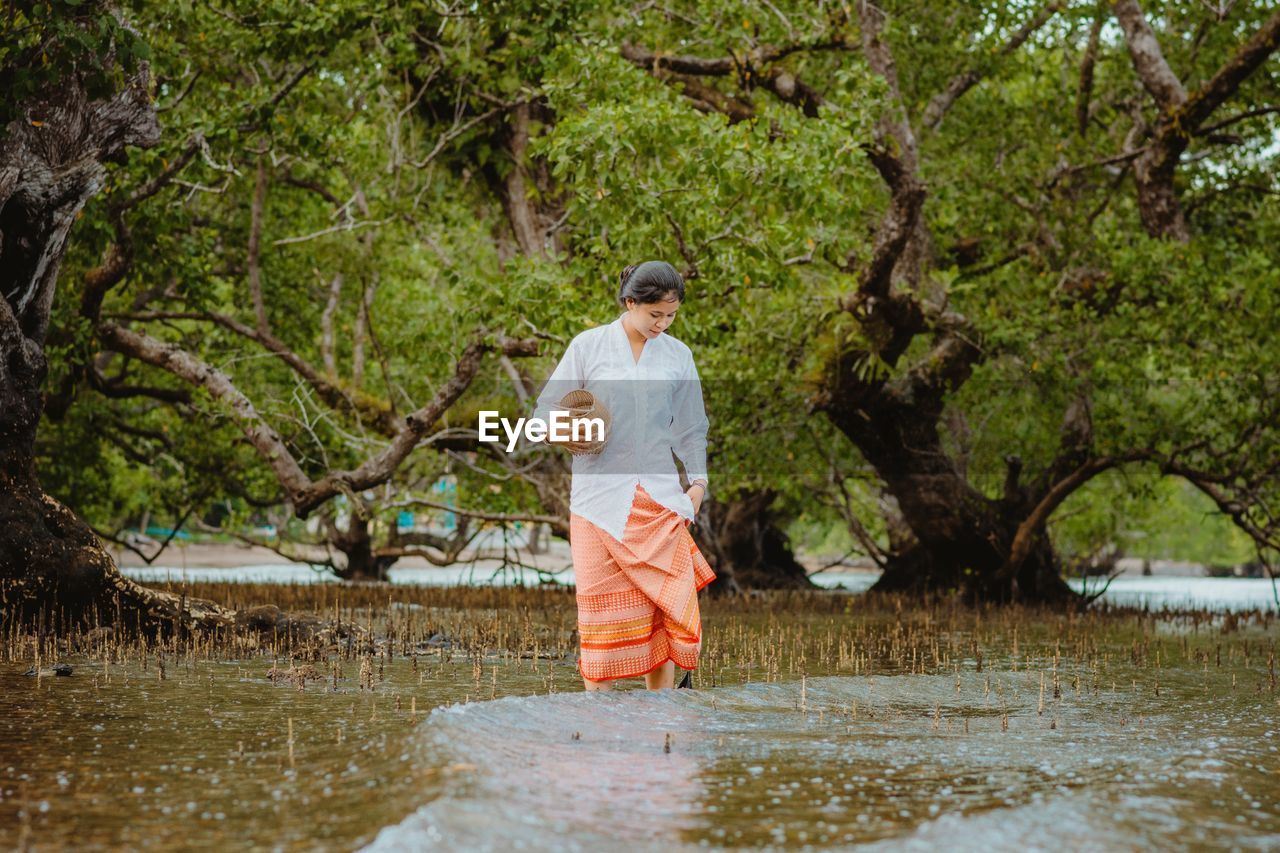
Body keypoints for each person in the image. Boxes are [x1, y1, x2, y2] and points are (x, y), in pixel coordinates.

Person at [533, 260, 715, 691]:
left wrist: (699, 484)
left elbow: (691, 427)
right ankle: (598, 730)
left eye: (671, 316)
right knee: (601, 625)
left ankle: (661, 725)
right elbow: (543, 415)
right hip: (597, 504)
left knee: (660, 616)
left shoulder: (678, 355)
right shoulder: (588, 346)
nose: (663, 324)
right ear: (630, 302)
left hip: (659, 503)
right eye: (655, 314)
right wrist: (568, 430)